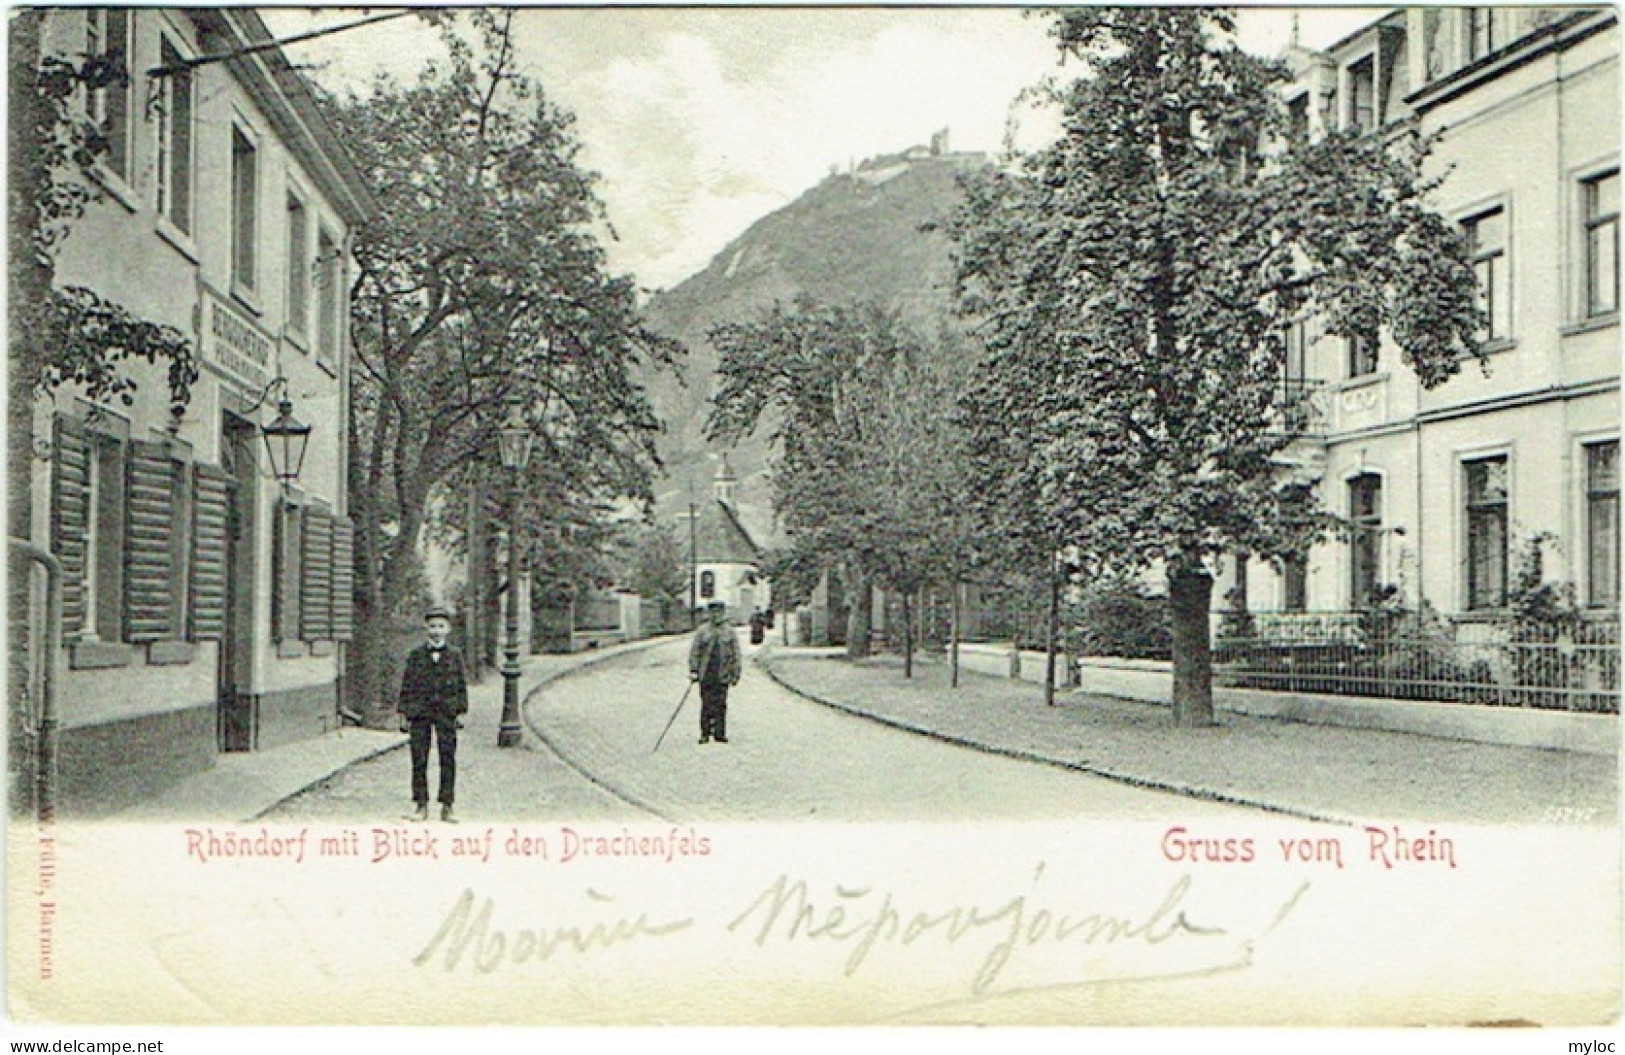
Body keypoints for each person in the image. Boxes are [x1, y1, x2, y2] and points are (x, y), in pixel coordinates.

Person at [397, 605, 468, 822]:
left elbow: (461, 685)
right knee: (419, 758)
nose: (436, 630)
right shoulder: (416, 656)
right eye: (432, 626)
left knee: (448, 758)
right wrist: (403, 712)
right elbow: (407, 685)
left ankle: (447, 806)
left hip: (446, 712)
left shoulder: (455, 656)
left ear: (448, 629)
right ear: (426, 628)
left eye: (441, 626)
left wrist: (461, 711)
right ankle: (421, 805)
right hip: (420, 713)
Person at [688, 601, 741, 744]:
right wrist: (693, 670)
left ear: (723, 613)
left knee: (721, 704)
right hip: (706, 673)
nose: (715, 615)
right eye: (713, 612)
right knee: (706, 704)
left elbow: (736, 655)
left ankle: (719, 733)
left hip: (723, 674)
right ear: (709, 614)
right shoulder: (702, 631)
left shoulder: (729, 632)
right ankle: (705, 733)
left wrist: (736, 674)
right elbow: (695, 652)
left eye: (718, 612)